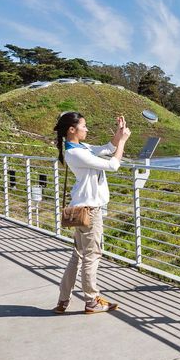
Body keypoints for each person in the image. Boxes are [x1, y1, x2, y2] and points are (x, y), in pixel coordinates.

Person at [52, 112, 131, 314]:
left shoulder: (80, 148)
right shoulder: (76, 153)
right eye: (84, 126)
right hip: (89, 211)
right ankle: (91, 300)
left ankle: (63, 300)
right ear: (72, 130)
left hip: (80, 209)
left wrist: (119, 133)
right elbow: (113, 164)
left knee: (78, 256)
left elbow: (107, 148)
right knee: (92, 255)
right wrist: (122, 142)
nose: (87, 129)